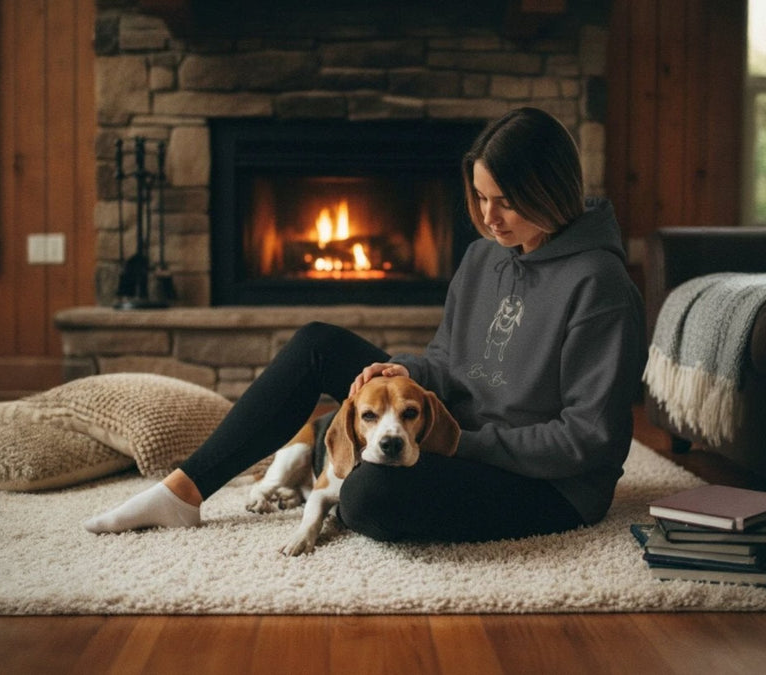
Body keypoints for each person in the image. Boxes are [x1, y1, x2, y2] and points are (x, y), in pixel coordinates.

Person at [85, 107, 647, 543]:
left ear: (549, 192)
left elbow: (586, 440)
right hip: (453, 434)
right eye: (479, 198)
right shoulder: (484, 257)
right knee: (316, 345)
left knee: (372, 495)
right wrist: (404, 371)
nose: (488, 218)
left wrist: (459, 444)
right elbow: (449, 365)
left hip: (548, 486)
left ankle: (324, 454)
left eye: (506, 202)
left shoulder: (600, 285)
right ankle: (183, 492)